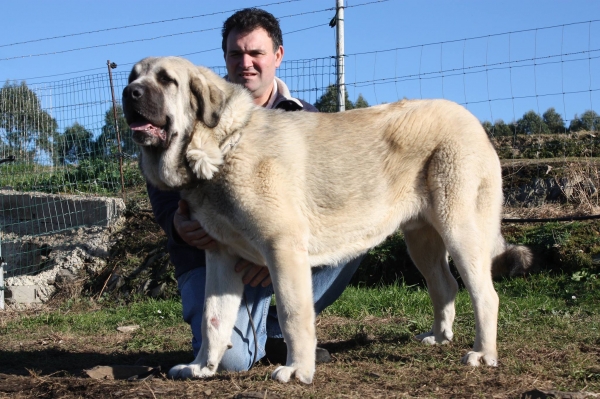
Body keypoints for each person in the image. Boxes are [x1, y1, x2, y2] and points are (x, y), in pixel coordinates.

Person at [147, 8, 363, 372]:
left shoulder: (305, 117)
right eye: (236, 54)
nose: (245, 63)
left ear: (278, 56)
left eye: (256, 53)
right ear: (225, 58)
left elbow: (320, 205)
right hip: (209, 255)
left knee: (355, 232)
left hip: (281, 256)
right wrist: (176, 225)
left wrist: (274, 253)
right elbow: (163, 178)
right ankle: (248, 338)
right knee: (232, 362)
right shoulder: (194, 110)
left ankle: (276, 332)